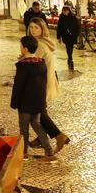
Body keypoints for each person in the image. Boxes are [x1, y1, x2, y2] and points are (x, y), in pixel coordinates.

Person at [26, 18, 70, 153]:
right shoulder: (44, 42)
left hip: (40, 83)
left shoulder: (39, 45)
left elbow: (32, 64)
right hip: (46, 80)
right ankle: (42, 137)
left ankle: (59, 136)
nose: (33, 30)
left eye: (36, 28)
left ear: (42, 29)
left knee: (37, 112)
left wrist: (22, 58)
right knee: (39, 111)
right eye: (31, 27)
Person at [11, 36, 56, 162]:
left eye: (21, 46)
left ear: (25, 49)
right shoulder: (41, 63)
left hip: (25, 104)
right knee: (37, 124)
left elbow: (18, 86)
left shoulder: (23, 66)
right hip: (37, 103)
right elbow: (42, 84)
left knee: (23, 128)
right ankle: (49, 152)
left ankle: (23, 153)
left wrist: (14, 102)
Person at [56, 5, 81, 71]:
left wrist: (77, 34)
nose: (64, 12)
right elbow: (59, 28)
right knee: (68, 46)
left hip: (72, 35)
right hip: (65, 35)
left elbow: (77, 26)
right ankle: (70, 57)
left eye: (66, 10)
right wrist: (59, 37)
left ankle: (70, 57)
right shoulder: (61, 17)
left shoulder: (73, 17)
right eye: (63, 11)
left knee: (71, 46)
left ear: (69, 11)